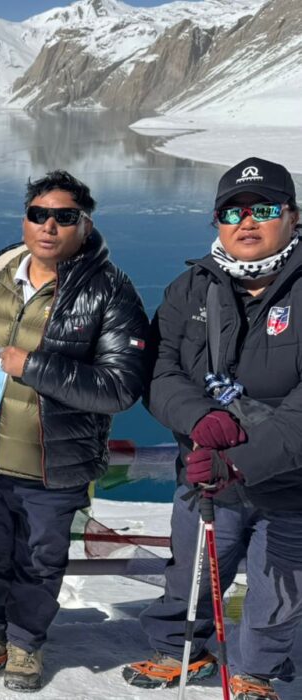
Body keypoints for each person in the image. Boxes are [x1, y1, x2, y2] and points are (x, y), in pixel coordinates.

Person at [0, 170, 149, 692]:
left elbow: (119, 388)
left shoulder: (111, 290)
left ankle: (25, 644)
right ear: (24, 219)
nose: (49, 225)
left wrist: (33, 367)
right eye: (39, 214)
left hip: (54, 462)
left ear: (85, 226)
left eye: (65, 217)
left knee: (40, 559)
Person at [123, 157, 302, 700]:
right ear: (217, 222)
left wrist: (240, 458)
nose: (247, 222)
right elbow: (158, 370)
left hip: (292, 484)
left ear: (293, 216)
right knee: (194, 570)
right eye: (232, 211)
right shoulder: (192, 287)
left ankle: (257, 673)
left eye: (264, 209)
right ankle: (180, 650)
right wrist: (202, 419)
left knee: (281, 590)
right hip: (207, 474)